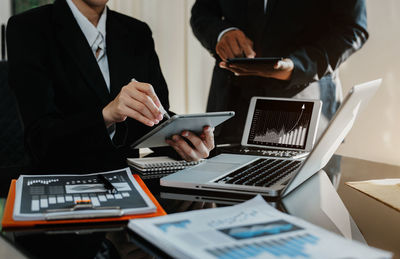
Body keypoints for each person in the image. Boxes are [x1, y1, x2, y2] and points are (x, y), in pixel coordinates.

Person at [7, 0, 214, 173]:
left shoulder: (137, 32)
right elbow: (40, 140)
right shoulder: (28, 28)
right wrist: (107, 115)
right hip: (59, 183)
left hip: (128, 183)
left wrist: (188, 142)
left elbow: (154, 123)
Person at [190, 0, 369, 144]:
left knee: (304, 188)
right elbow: (202, 12)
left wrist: (298, 66)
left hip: (302, 107)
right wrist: (222, 34)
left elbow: (352, 29)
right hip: (230, 110)